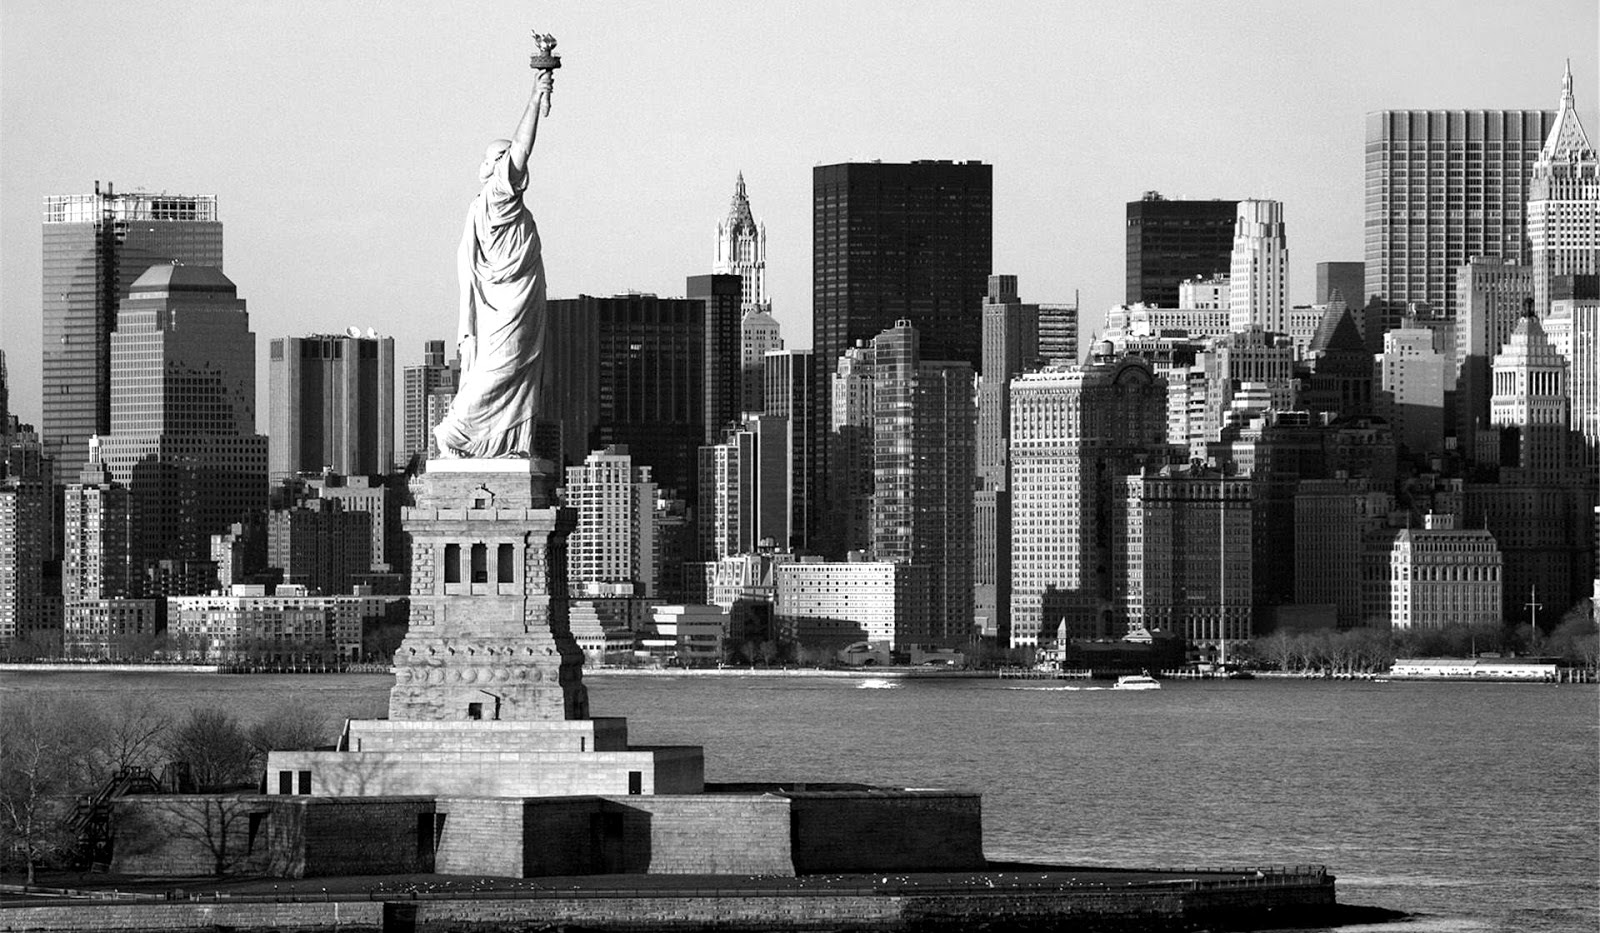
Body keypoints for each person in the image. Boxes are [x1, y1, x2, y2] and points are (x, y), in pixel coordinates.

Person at [433, 68, 556, 459]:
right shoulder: (496, 198)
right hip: (504, 305)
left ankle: (504, 442)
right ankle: (454, 433)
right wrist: (535, 98)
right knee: (498, 369)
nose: (512, 163)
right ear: (492, 167)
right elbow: (523, 147)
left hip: (518, 303)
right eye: (501, 157)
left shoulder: (501, 205)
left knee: (513, 370)